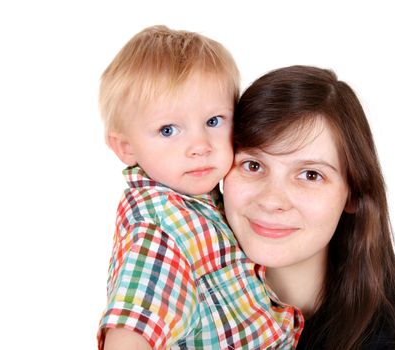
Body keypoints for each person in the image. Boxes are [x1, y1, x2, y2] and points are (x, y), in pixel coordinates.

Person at [97, 26, 302, 350]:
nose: (200, 146)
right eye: (168, 130)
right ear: (126, 148)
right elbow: (130, 330)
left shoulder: (202, 199)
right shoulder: (159, 228)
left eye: (213, 121)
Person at [223, 65, 395, 349]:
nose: (272, 199)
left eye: (311, 175)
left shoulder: (394, 343)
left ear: (353, 194)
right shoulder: (172, 308)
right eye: (253, 165)